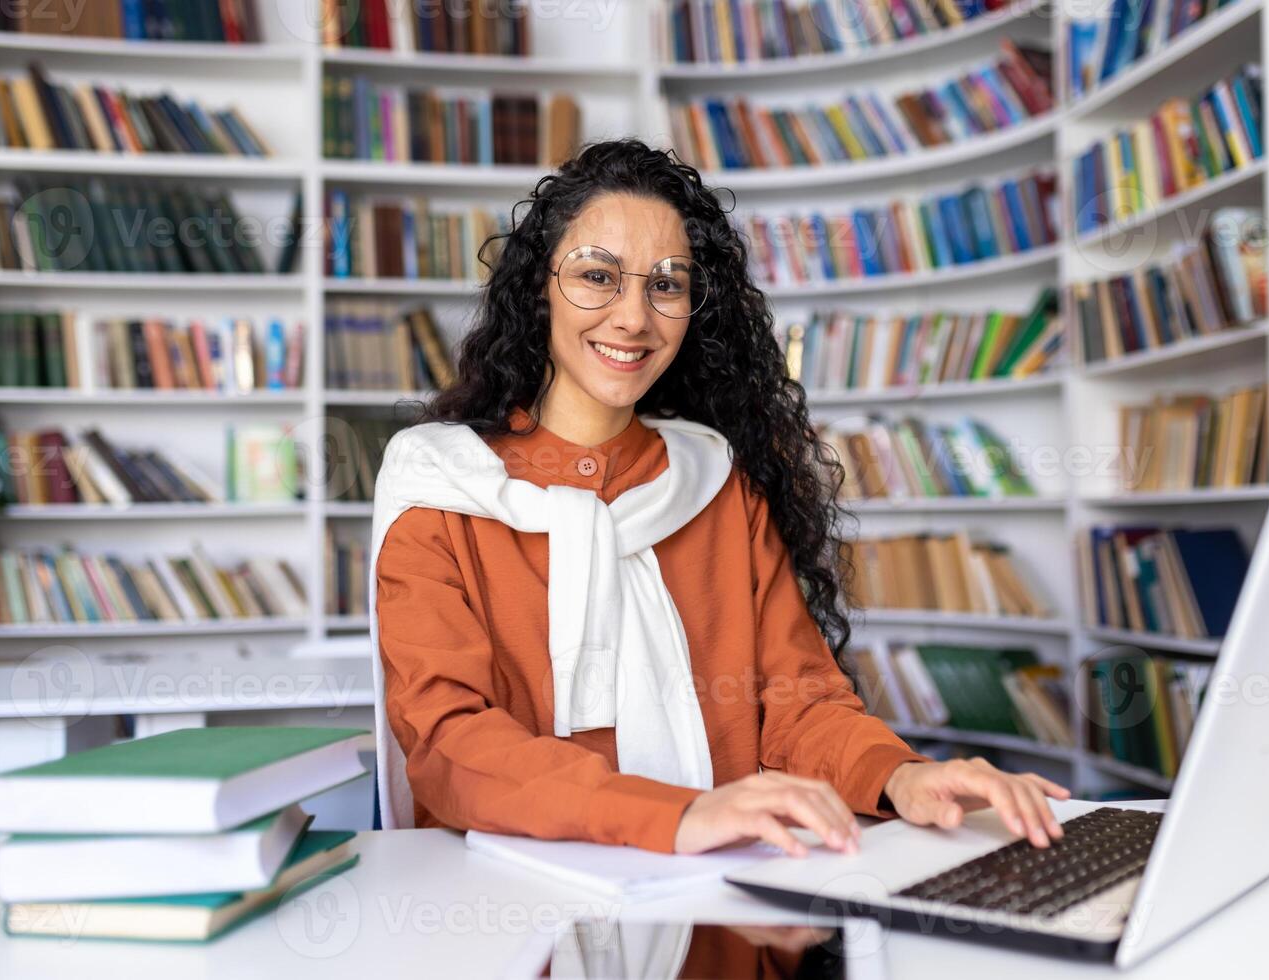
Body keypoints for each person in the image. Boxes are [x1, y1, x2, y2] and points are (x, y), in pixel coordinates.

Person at [370, 138, 1068, 858]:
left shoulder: (714, 485)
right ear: (538, 289)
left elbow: (798, 704)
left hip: (724, 899)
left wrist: (900, 777)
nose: (633, 317)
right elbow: (449, 742)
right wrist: (672, 815)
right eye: (597, 276)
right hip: (510, 915)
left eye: (666, 285)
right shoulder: (441, 487)